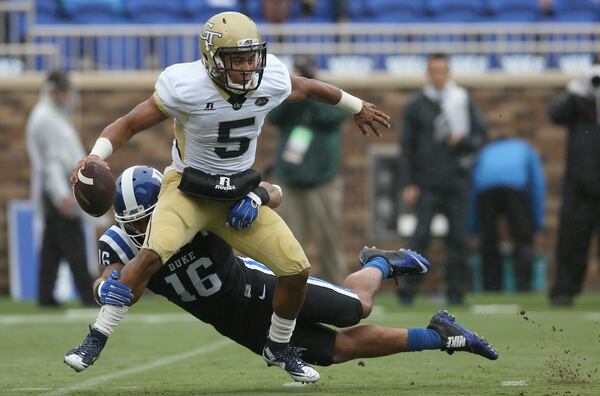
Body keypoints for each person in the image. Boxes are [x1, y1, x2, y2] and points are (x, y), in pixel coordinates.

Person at [69, 11, 390, 383]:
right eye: (236, 59)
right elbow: (129, 123)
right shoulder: (185, 86)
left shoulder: (267, 79)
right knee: (151, 254)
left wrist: (357, 107)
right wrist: (96, 155)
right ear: (211, 59)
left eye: (250, 57)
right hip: (187, 189)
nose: (245, 67)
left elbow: (310, 88)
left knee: (296, 269)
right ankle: (95, 338)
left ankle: (278, 344)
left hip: (236, 192)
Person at [64, 165, 498, 375]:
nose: (144, 228)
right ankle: (440, 335)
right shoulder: (120, 243)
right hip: (238, 324)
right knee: (337, 352)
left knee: (357, 308)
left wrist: (255, 198)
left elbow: (274, 189)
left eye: (149, 218)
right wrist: (108, 288)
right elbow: (111, 276)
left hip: (268, 288)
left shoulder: (193, 206)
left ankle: (380, 263)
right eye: (135, 222)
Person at [398, 53, 487, 305]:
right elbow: (407, 147)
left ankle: (457, 291)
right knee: (420, 237)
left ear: (448, 73)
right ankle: (408, 291)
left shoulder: (461, 99)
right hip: (427, 182)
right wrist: (409, 181)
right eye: (433, 71)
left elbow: (480, 137)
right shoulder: (417, 104)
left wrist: (462, 142)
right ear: (428, 73)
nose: (438, 77)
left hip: (457, 181)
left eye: (442, 71)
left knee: (459, 238)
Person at [269, 55, 347, 284]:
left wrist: (311, 91)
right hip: (290, 180)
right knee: (288, 241)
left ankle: (339, 288)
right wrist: (291, 92)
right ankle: (286, 289)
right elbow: (273, 116)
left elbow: (333, 116)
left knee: (329, 240)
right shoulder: (288, 94)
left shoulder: (327, 93)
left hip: (323, 179)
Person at [26, 71, 95, 308]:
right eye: (63, 91)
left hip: (55, 188)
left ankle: (46, 295)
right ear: (55, 91)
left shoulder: (52, 115)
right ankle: (88, 294)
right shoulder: (47, 118)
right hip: (57, 189)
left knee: (53, 246)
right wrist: (61, 195)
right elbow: (52, 162)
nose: (67, 95)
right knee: (73, 242)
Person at [548, 65, 600, 306]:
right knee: (572, 240)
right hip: (580, 184)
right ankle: (565, 291)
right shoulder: (579, 101)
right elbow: (555, 114)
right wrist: (578, 90)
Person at [470, 136, 546, 292]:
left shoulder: (486, 151)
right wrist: (536, 225)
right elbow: (538, 185)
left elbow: (472, 190)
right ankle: (524, 287)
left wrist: (473, 229)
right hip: (515, 187)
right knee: (523, 238)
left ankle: (491, 288)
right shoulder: (525, 147)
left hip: (485, 189)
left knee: (488, 240)